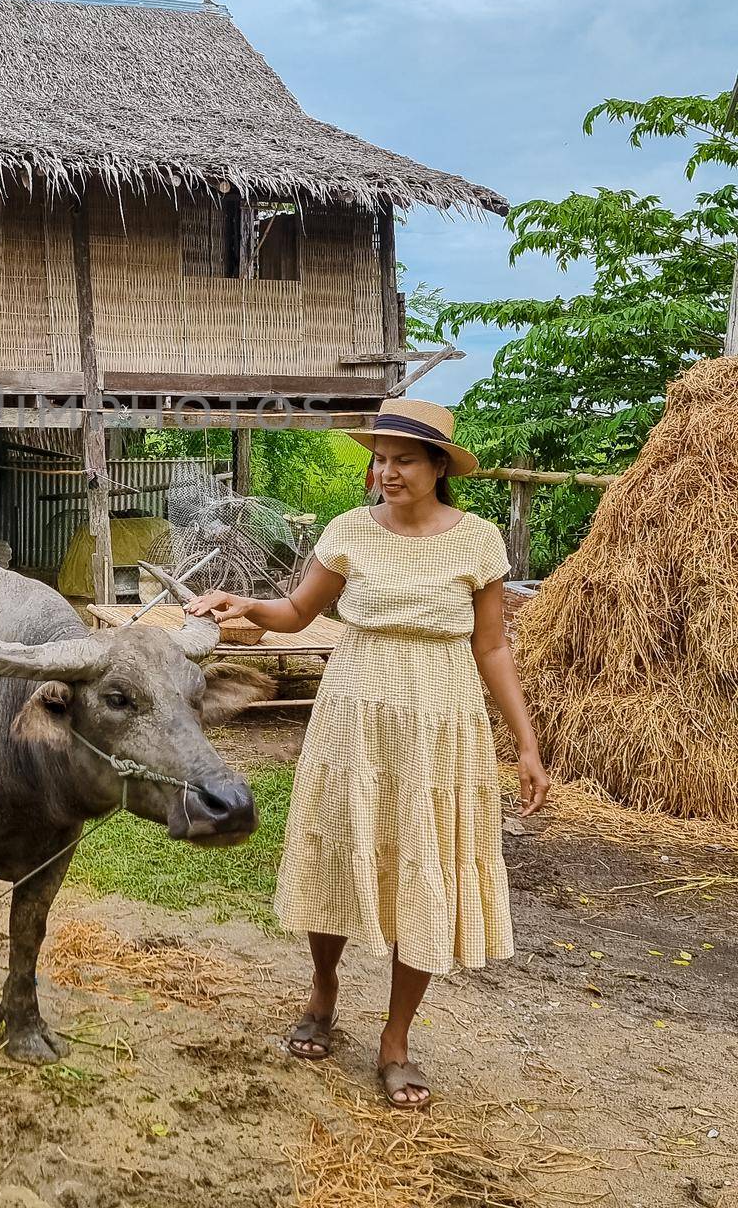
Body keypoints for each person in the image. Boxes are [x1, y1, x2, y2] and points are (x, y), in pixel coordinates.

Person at [187, 399, 549, 1110]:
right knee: (338, 849)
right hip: (353, 716)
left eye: (403, 459)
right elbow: (296, 613)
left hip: (441, 724)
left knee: (426, 861)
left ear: (439, 466)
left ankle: (396, 1040)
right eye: (379, 459)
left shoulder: (477, 540)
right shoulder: (350, 530)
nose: (386, 472)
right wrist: (242, 603)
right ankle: (323, 988)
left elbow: (493, 647)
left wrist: (527, 744)